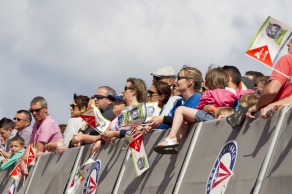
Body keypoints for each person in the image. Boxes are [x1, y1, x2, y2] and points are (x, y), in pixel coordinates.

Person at [154, 67, 238, 154]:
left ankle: (171, 138)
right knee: (184, 124)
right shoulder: (233, 94)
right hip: (218, 117)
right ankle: (173, 144)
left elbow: (202, 107)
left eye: (179, 78)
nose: (176, 81)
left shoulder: (205, 95)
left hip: (211, 117)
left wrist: (211, 108)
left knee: (180, 110)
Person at [147, 65, 203, 130]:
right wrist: (149, 125)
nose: (175, 81)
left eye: (179, 78)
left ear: (190, 82)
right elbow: (166, 124)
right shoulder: (178, 102)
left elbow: (185, 122)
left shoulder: (198, 98)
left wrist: (164, 119)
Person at [97, 78, 147, 147]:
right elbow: (118, 132)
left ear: (133, 91)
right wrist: (103, 138)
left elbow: (138, 132)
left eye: (125, 88)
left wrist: (115, 134)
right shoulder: (123, 113)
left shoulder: (144, 109)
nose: (123, 91)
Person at [20, 96, 62, 175]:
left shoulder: (47, 124)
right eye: (31, 111)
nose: (34, 113)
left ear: (45, 108)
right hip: (44, 165)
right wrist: (23, 161)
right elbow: (31, 145)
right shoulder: (37, 123)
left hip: (51, 167)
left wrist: (25, 159)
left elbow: (38, 150)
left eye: (37, 110)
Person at [247, 54, 292, 119]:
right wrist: (272, 107)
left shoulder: (287, 59)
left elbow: (271, 91)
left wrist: (257, 106)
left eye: (290, 43)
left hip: (277, 120)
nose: (288, 44)